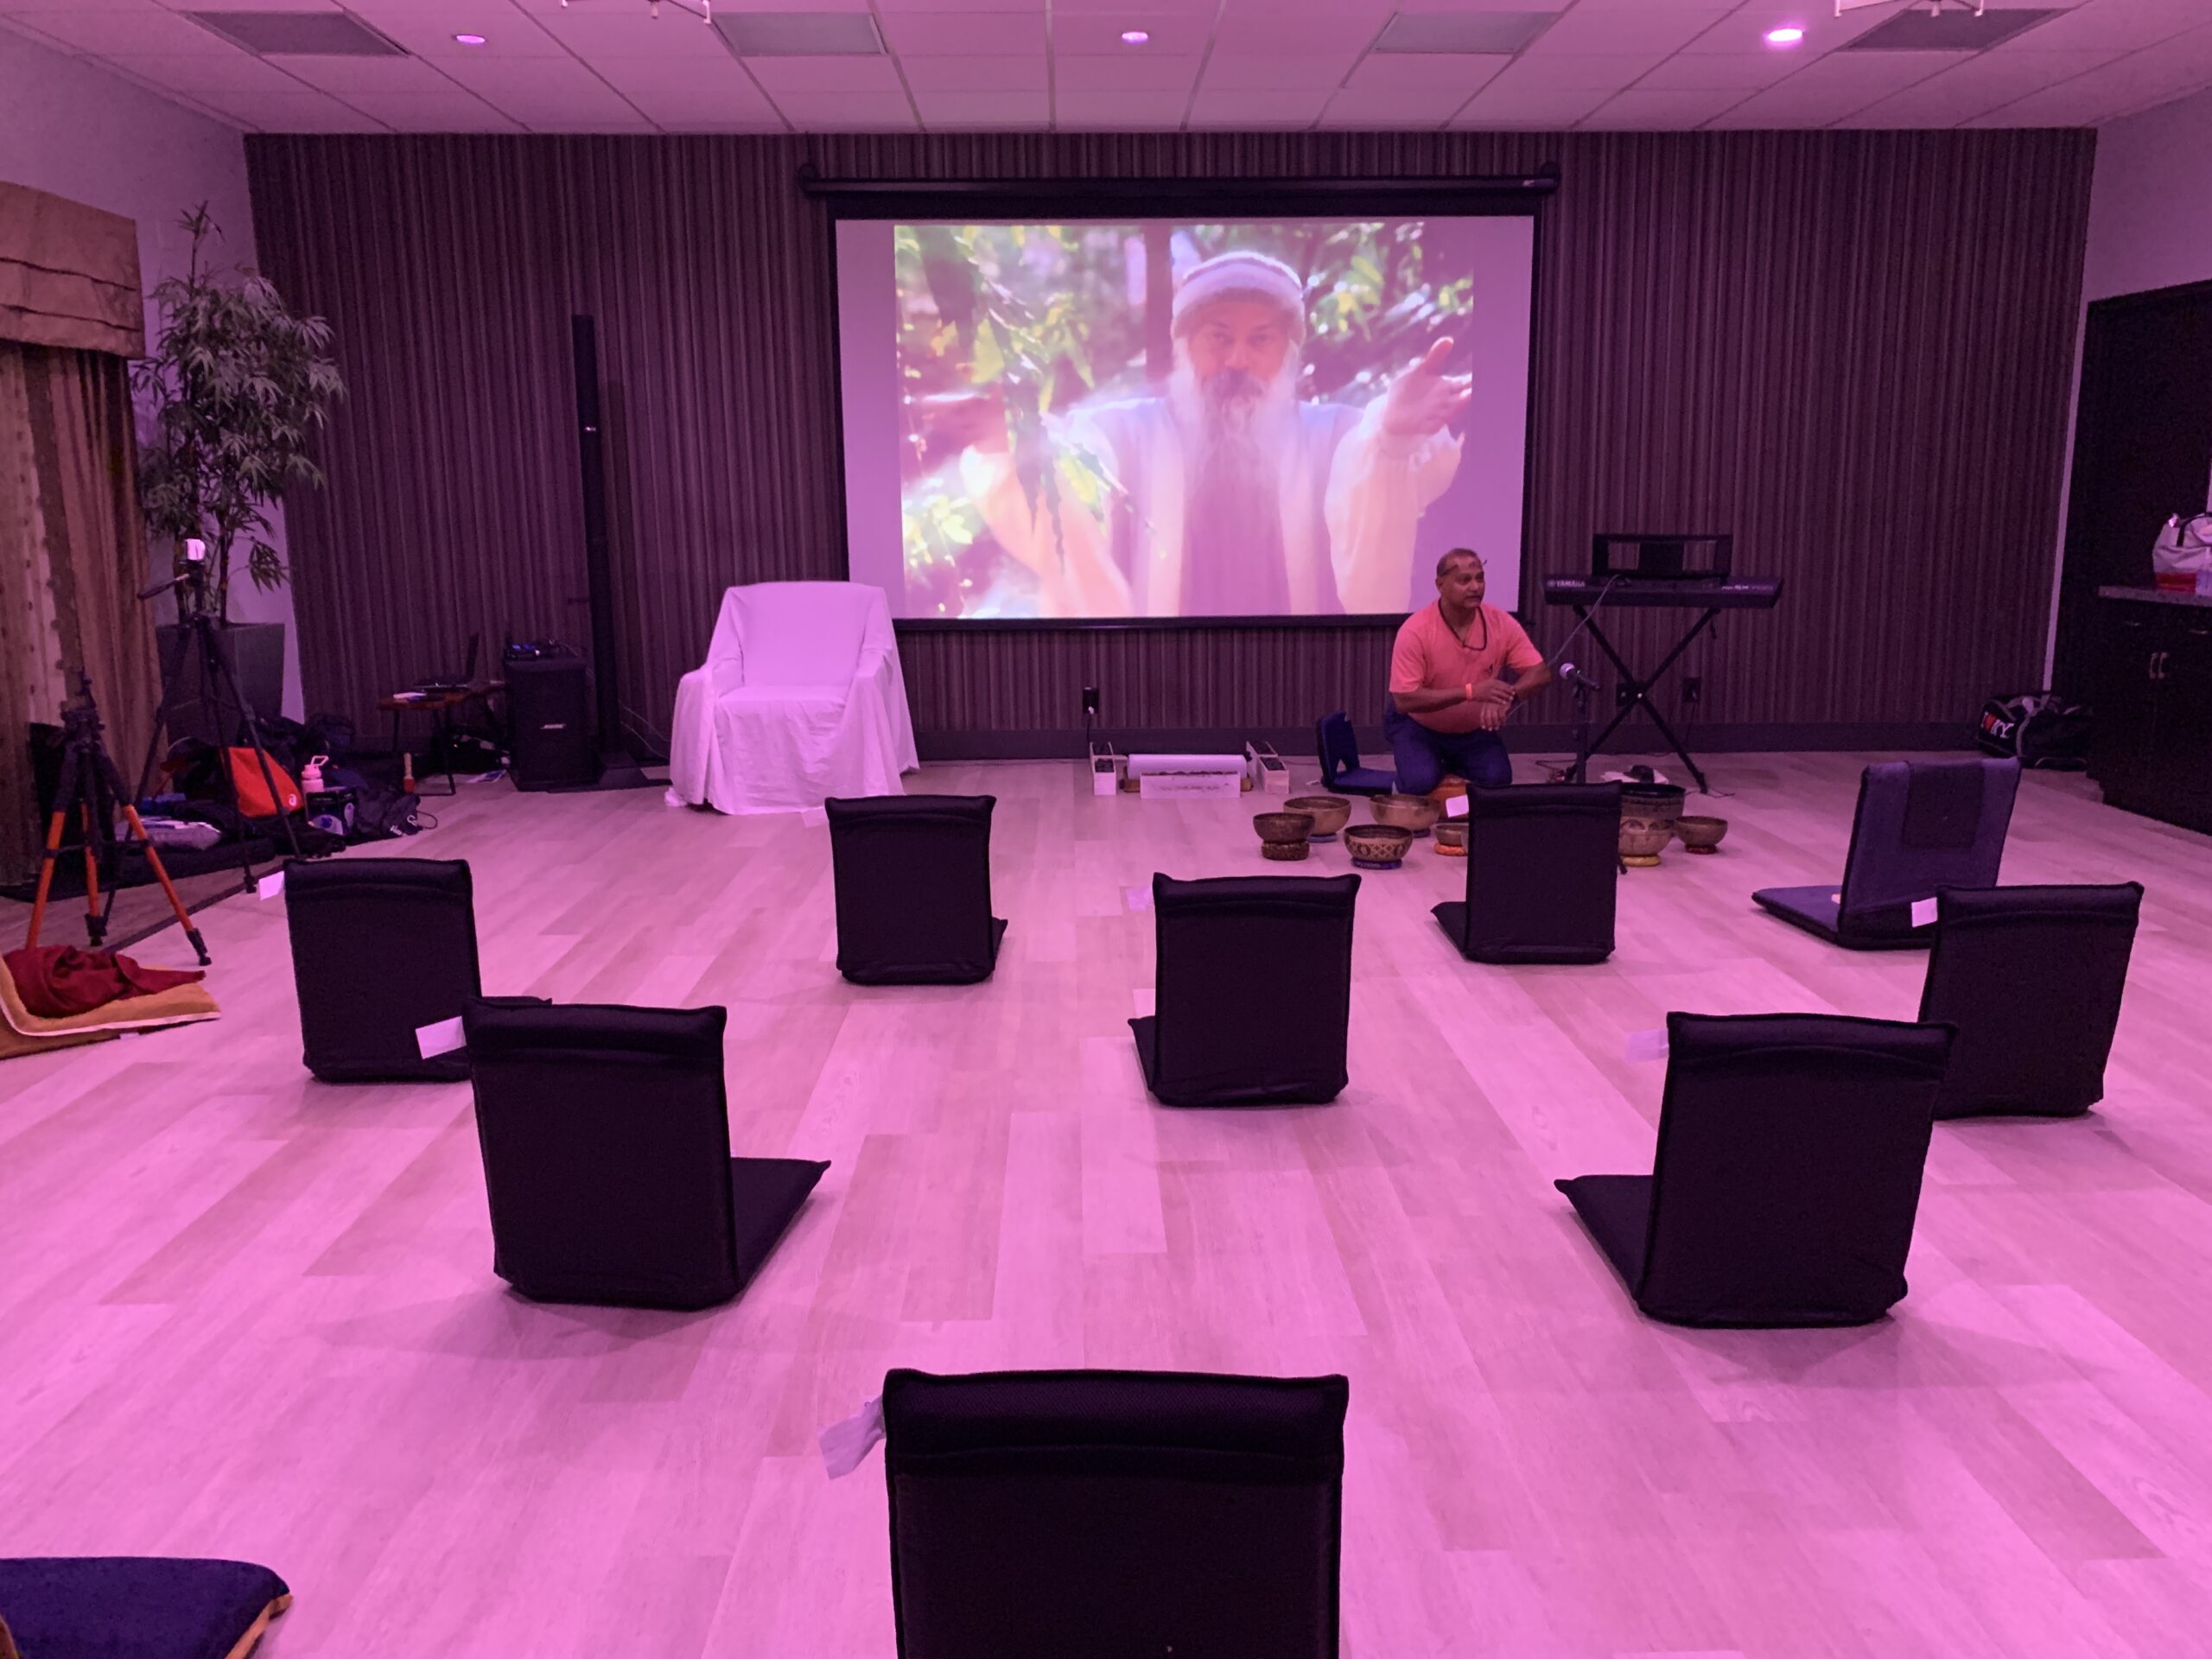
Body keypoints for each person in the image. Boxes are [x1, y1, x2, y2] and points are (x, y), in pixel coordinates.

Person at [946, 250, 1471, 617]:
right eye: (1218, 338)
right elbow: (1066, 472)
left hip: (1303, 676)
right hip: (1149, 682)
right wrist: (1012, 443)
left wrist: (1394, 437)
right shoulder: (1122, 433)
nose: (1237, 360)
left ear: (1288, 353)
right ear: (1184, 346)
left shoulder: (1335, 436)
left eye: (1260, 340)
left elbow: (1381, 462)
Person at [1385, 548, 1552, 791]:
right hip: (1418, 726)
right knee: (1419, 782)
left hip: (1473, 732)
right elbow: (1404, 700)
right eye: (1464, 580)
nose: (1475, 587)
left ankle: (1448, 768)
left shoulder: (1500, 622)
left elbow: (1540, 673)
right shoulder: (1415, 630)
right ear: (1440, 585)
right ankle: (1418, 774)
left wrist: (1508, 697)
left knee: (1497, 782)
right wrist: (1470, 692)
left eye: (1480, 579)